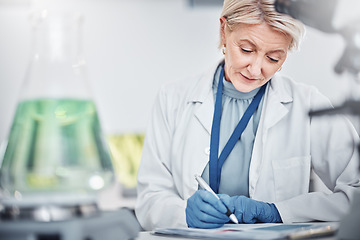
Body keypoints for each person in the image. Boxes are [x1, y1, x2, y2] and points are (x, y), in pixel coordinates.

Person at [135, 0, 360, 231]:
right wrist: (183, 214)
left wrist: (278, 212)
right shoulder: (172, 99)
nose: (255, 69)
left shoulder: (309, 104)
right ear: (224, 31)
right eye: (246, 50)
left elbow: (357, 192)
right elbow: (149, 198)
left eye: (273, 58)